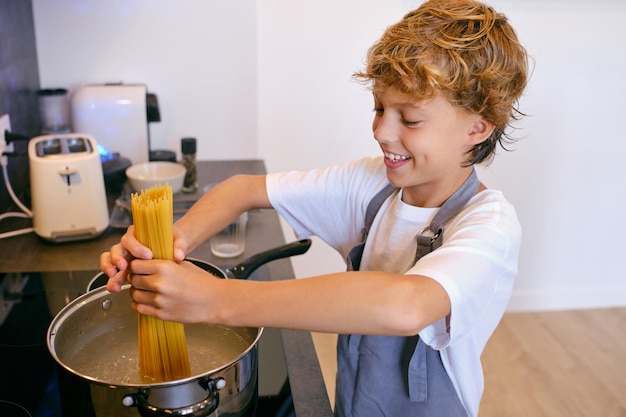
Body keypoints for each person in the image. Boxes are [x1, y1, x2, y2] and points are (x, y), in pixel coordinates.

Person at [100, 0, 529, 415]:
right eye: (379, 107)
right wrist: (174, 238)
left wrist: (216, 299)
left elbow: (406, 305)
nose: (381, 130)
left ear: (478, 127)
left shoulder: (489, 225)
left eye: (410, 118)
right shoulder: (368, 185)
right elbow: (242, 189)